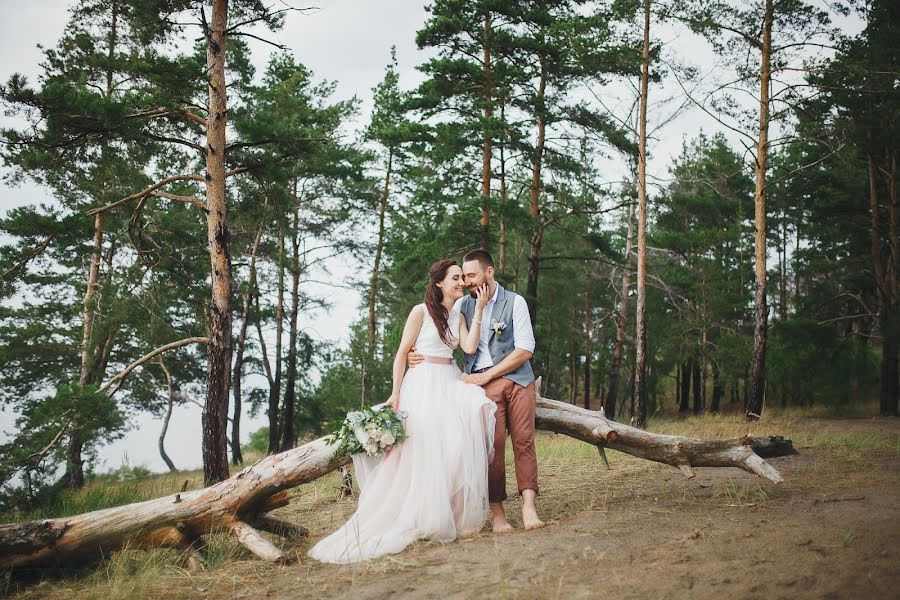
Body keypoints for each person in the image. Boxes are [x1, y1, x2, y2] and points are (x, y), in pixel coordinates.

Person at [308, 259, 496, 564]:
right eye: (455, 278)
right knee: (423, 451)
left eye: (462, 277)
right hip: (421, 385)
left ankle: (454, 513)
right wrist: (396, 393)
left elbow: (470, 348)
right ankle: (425, 515)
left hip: (449, 380)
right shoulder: (420, 312)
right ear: (439, 283)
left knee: (459, 440)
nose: (461, 282)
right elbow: (400, 355)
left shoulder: (458, 313)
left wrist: (480, 311)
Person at [410, 249, 544, 532]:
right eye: (463, 277)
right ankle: (497, 515)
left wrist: (490, 375)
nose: (466, 282)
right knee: (490, 447)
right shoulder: (462, 306)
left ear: (489, 273)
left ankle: (529, 507)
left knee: (524, 441)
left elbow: (526, 349)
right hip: (479, 384)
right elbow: (440, 329)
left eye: (471, 275)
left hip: (518, 379)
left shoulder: (515, 302)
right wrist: (414, 352)